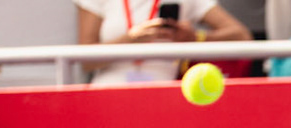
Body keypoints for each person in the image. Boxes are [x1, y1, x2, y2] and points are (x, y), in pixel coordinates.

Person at [72, 0, 251, 87]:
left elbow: (242, 36)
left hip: (165, 96)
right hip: (107, 94)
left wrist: (195, 37)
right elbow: (85, 61)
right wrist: (131, 39)